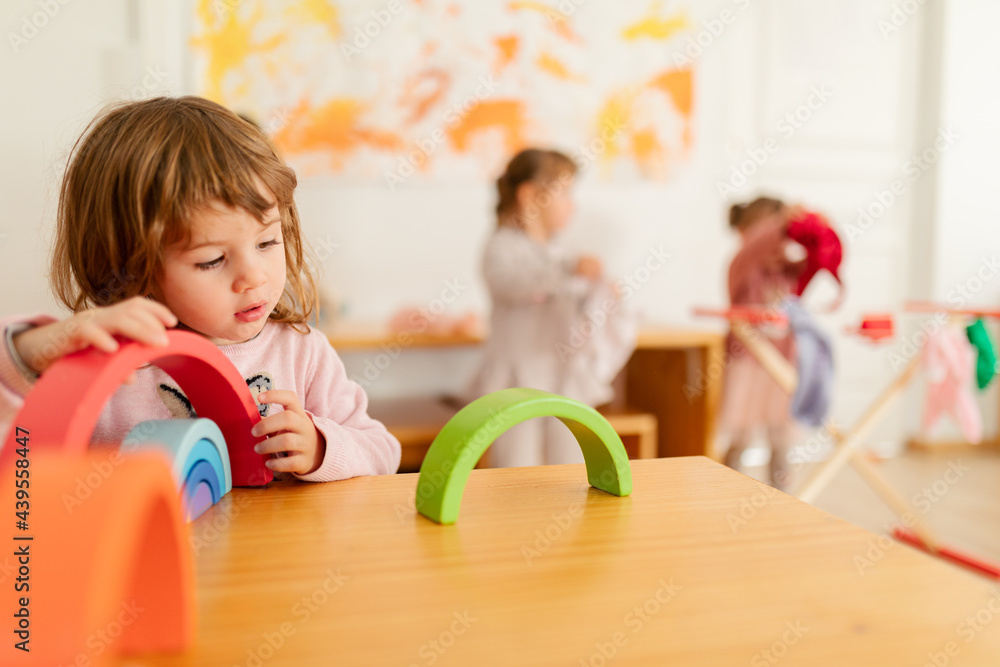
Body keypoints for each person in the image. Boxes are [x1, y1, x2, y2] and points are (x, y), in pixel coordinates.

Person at [0, 96, 400, 481]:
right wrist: (35, 348)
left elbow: (382, 450)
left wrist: (320, 447)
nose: (254, 277)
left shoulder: (302, 353)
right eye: (212, 260)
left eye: (267, 242)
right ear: (127, 265)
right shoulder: (105, 358)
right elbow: (19, 456)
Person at [466, 148, 637, 467]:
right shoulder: (502, 246)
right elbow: (516, 284)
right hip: (518, 377)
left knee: (570, 461)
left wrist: (601, 291)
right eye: (565, 193)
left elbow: (574, 302)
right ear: (531, 196)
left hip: (562, 372)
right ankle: (517, 516)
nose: (573, 204)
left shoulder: (562, 249)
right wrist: (571, 270)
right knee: (516, 465)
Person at [720, 196, 804, 489]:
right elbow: (757, 247)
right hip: (748, 363)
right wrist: (784, 224)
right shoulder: (743, 262)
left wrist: (812, 230)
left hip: (782, 363)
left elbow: (817, 261)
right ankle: (725, 492)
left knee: (781, 439)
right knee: (740, 439)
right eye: (773, 231)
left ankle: (784, 501)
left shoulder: (787, 269)